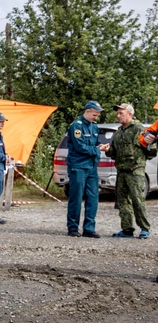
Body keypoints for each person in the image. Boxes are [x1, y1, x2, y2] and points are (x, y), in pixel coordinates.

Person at [100, 103, 157, 238]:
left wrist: (150, 144)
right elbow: (114, 151)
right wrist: (108, 150)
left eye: (121, 113)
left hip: (135, 171)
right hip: (121, 171)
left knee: (137, 200)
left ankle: (144, 228)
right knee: (123, 202)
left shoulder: (139, 129)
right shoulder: (119, 132)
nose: (118, 116)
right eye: (118, 113)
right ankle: (127, 229)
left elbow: (152, 151)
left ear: (130, 114)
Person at [65, 100, 104, 238]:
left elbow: (97, 143)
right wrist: (96, 150)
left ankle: (89, 228)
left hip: (92, 167)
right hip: (79, 166)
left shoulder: (94, 127)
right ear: (87, 111)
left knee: (93, 198)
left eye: (97, 115)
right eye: (94, 115)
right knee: (76, 197)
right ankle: (73, 228)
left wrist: (102, 147)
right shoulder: (77, 126)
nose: (96, 118)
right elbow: (79, 146)